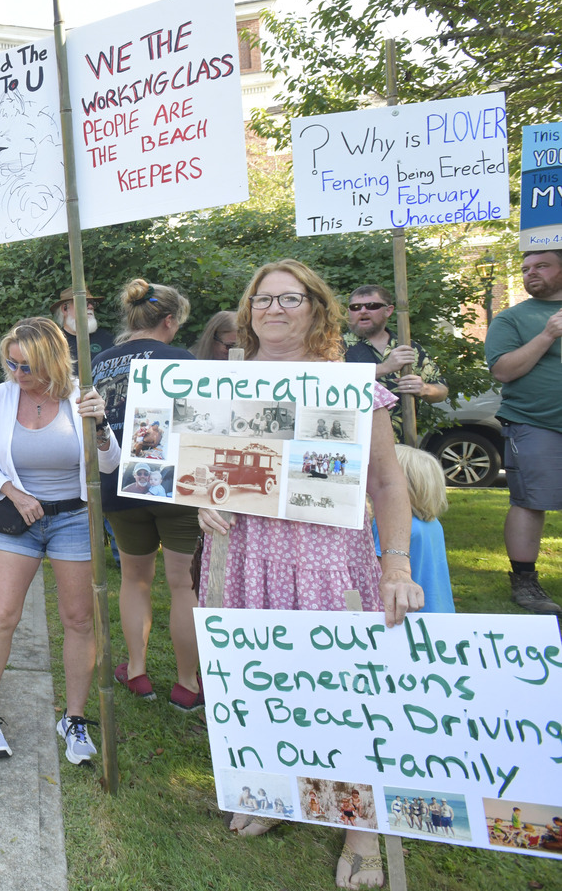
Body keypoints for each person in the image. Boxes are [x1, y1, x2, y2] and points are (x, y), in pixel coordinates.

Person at [197, 259, 421, 889]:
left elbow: (385, 480)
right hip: (244, 551)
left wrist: (395, 562)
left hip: (325, 556)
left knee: (342, 688)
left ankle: (361, 829)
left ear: (315, 308)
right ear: (248, 313)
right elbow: (203, 467)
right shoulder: (224, 382)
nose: (274, 309)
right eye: (262, 300)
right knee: (256, 675)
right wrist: (202, 495)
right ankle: (272, 791)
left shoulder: (350, 384)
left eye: (288, 298)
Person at [0, 316, 119, 763]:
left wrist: (103, 428)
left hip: (73, 518)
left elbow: (109, 466)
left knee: (78, 619)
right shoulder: (1, 397)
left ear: (52, 359)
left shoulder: (80, 396)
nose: (18, 374)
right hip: (19, 521)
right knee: (2, 614)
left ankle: (73, 718)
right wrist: (12, 491)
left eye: (27, 366)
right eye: (11, 364)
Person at [92, 280, 204, 710]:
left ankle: (136, 671)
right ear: (170, 321)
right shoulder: (182, 359)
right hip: (174, 484)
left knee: (134, 579)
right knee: (182, 585)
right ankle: (186, 683)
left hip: (116, 483)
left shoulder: (100, 363)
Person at [485, 248, 562, 615]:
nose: (531, 273)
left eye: (541, 266)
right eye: (526, 268)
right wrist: (548, 335)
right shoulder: (512, 319)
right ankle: (525, 582)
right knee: (530, 501)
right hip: (536, 423)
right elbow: (503, 370)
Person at [343, 284, 448, 442]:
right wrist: (385, 368)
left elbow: (442, 390)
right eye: (356, 307)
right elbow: (329, 382)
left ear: (388, 310)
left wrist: (424, 389)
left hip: (402, 446)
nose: (363, 311)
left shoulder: (407, 347)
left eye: (372, 306)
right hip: (354, 448)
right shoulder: (333, 347)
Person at [373, 446, 455, 615]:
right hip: (439, 610)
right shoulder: (433, 524)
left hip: (406, 614)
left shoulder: (388, 527)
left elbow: (375, 575)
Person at [50, 289, 114, 368]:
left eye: (92, 303)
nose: (90, 306)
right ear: (65, 309)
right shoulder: (54, 343)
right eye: (84, 303)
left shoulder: (106, 338)